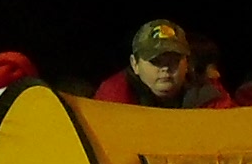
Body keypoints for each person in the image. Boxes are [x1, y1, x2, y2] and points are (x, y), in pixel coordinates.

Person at [94, 19, 232, 108]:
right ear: (135, 64)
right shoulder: (113, 99)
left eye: (174, 60)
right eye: (155, 61)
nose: (165, 68)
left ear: (187, 62)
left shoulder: (210, 96)